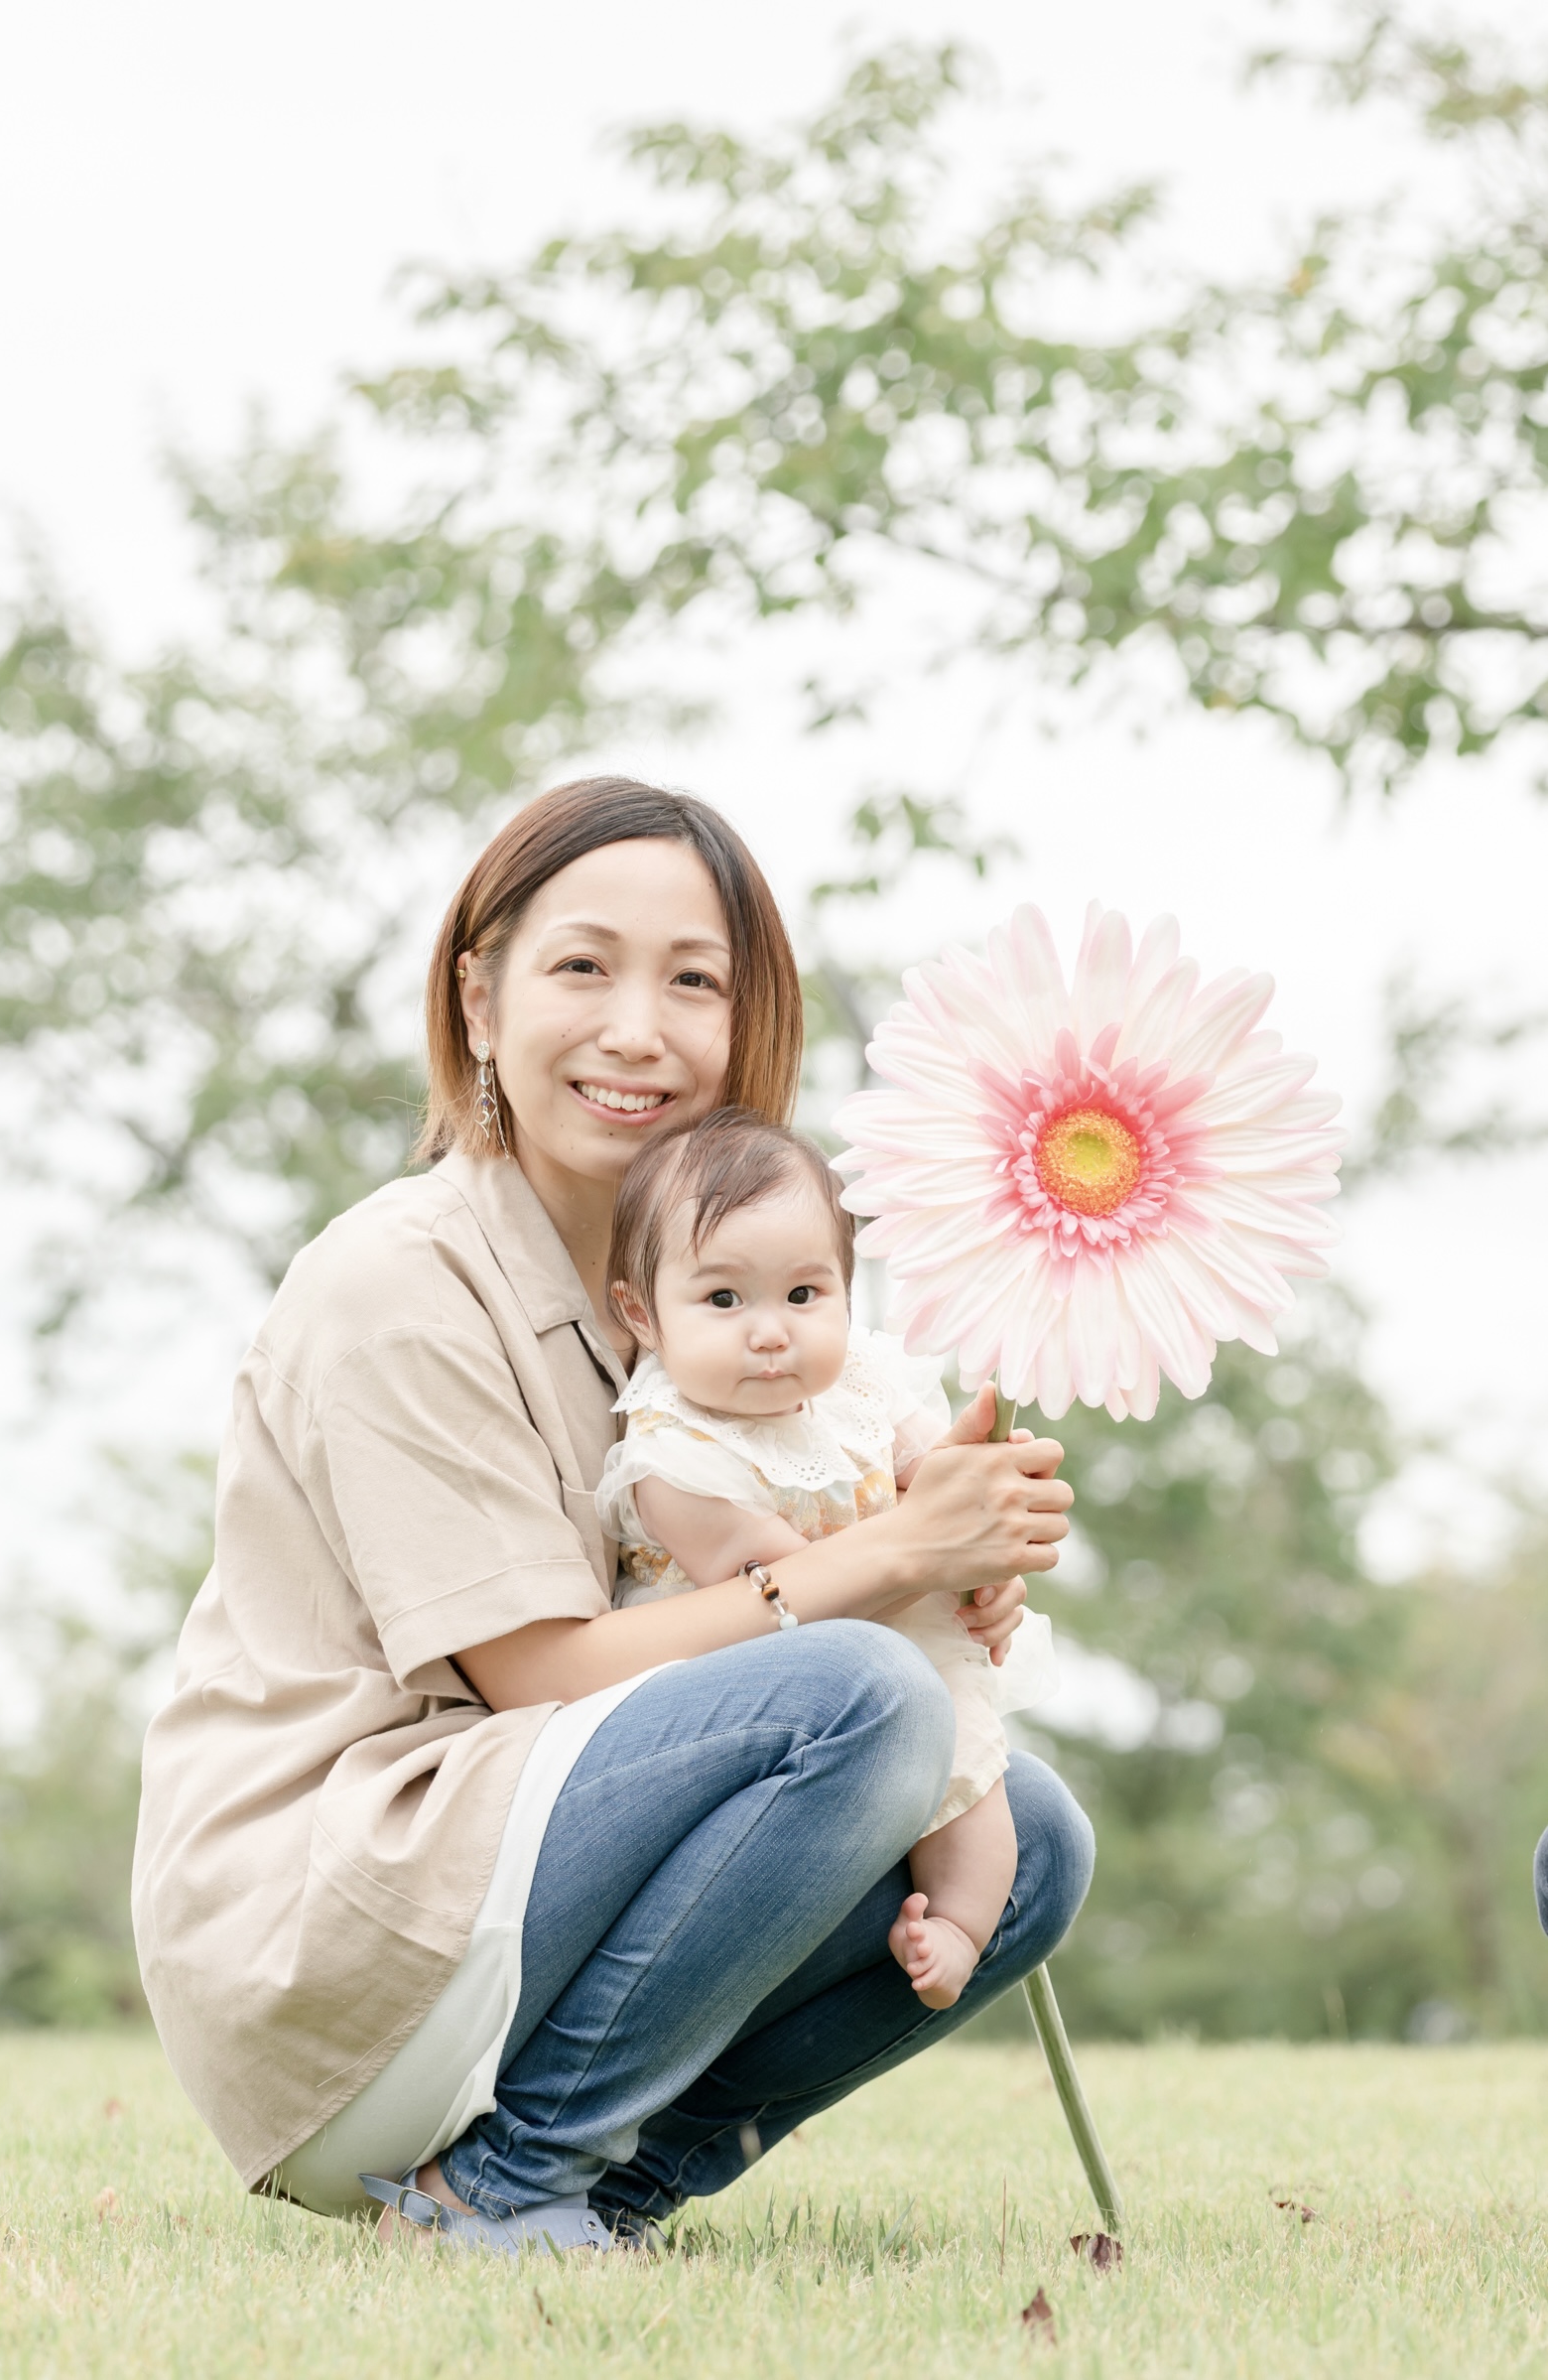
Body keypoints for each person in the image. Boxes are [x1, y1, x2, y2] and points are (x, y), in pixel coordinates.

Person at [132, 777, 1090, 2257]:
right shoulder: (395, 1281)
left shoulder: (712, 1310)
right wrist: (879, 1563)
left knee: (1018, 1830)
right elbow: (540, 1674)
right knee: (863, 1698)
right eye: (581, 966)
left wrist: (939, 1561)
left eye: (692, 981)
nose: (637, 1028)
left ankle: (598, 2190)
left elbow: (786, 1600)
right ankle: (502, 2182)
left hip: (519, 1900)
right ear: (475, 997)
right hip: (343, 1935)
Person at [594, 1107, 1058, 2013]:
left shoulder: (862, 1385)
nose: (770, 1332)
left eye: (804, 1297)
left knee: (977, 1793)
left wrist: (978, 1525)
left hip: (902, 1631)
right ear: (640, 1311)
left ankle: (957, 1927)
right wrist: (931, 1544)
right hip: (758, 1689)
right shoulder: (669, 1453)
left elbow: (934, 1476)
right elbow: (786, 1579)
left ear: (847, 1292)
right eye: (723, 1300)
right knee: (878, 1706)